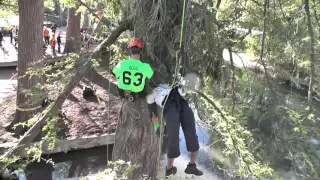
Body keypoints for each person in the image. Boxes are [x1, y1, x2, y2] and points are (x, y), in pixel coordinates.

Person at [146, 84, 203, 177]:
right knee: (173, 138)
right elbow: (154, 117)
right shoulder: (153, 93)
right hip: (170, 109)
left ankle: (192, 166)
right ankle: (169, 170)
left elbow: (184, 88)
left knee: (192, 135)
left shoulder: (172, 84)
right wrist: (157, 127)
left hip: (183, 105)